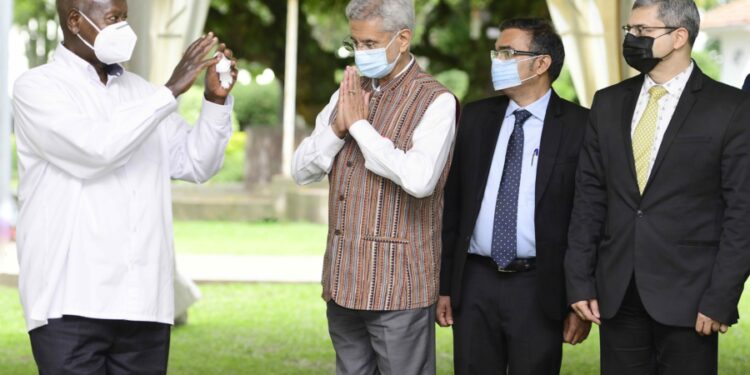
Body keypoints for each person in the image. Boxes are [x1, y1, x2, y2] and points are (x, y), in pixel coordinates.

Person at [12, 0, 238, 373]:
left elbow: (197, 163)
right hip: (69, 304)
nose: (123, 29)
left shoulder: (141, 93)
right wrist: (169, 91)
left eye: (126, 19)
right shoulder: (37, 88)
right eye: (113, 19)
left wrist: (215, 100)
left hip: (143, 302)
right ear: (75, 22)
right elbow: (96, 150)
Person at [565, 1, 750, 374]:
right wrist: (579, 282)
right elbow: (589, 197)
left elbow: (742, 213)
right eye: (629, 30)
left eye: (642, 31)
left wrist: (721, 297)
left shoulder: (732, 107)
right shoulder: (607, 103)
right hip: (617, 293)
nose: (631, 38)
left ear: (679, 36)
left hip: (691, 296)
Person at [291, 0, 458, 373]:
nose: (360, 53)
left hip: (398, 287)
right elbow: (301, 171)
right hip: (342, 282)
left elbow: (419, 180)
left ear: (403, 39)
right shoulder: (347, 94)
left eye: (369, 43)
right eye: (355, 44)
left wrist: (359, 128)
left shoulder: (437, 100)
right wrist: (336, 129)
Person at [437, 18, 591, 374]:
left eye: (507, 53)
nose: (497, 61)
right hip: (475, 282)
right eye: (496, 53)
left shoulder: (581, 126)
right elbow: (453, 207)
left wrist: (576, 300)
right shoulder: (475, 118)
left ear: (541, 63)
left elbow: (588, 218)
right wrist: (446, 286)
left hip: (540, 287)